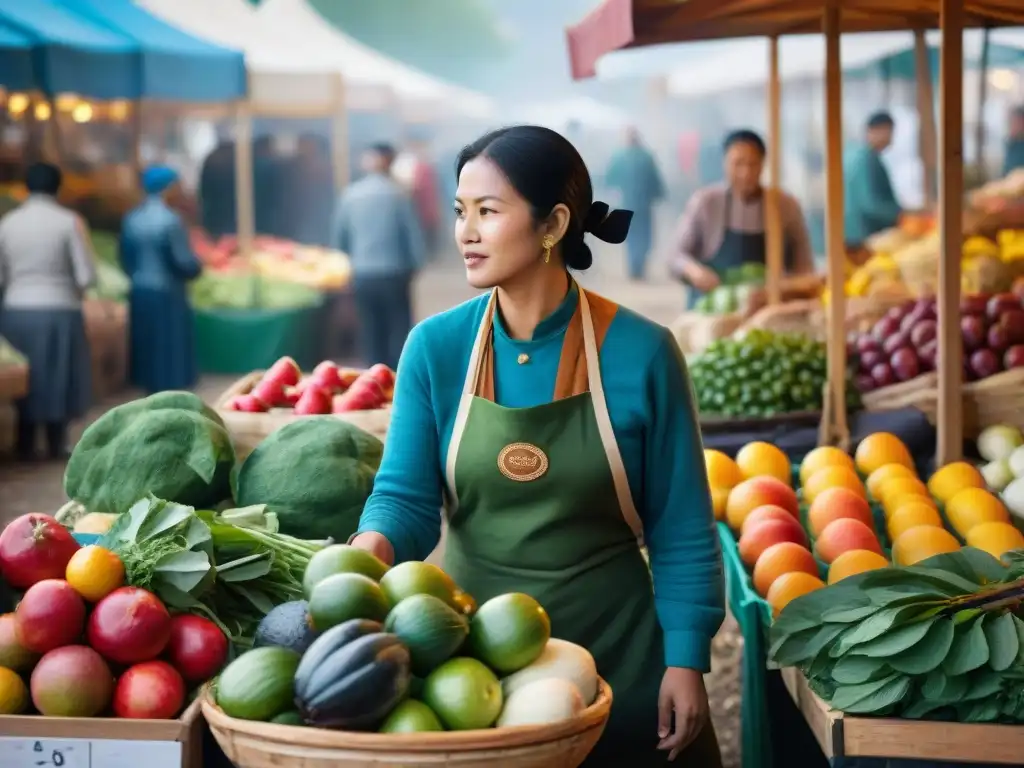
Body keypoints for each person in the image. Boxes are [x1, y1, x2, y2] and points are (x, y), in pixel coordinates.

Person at [350, 126, 725, 766]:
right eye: (460, 211)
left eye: (488, 212)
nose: (465, 232)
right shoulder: (434, 348)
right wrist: (370, 550)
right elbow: (405, 499)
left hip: (623, 660)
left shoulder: (643, 351)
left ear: (552, 223)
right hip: (474, 668)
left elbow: (682, 527)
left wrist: (686, 658)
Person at [0, 162, 95, 461]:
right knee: (58, 375)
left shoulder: (8, 223)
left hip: (17, 310)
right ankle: (56, 443)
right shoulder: (69, 222)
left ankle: (24, 443)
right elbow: (86, 276)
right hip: (60, 309)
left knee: (29, 376)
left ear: (26, 188)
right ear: (58, 187)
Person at [670, 129, 816, 309]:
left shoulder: (785, 206)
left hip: (766, 312)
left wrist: (783, 289)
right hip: (711, 309)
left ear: (763, 164)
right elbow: (675, 256)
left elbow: (805, 270)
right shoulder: (706, 202)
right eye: (738, 164)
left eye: (753, 164)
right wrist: (695, 272)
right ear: (724, 163)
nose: (745, 173)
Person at [331, 143, 426, 370]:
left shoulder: (350, 195)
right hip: (395, 271)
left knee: (370, 328)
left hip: (363, 272)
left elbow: (339, 239)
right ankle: (399, 376)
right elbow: (411, 234)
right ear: (390, 162)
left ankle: (374, 375)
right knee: (399, 327)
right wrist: (416, 265)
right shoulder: (398, 194)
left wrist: (350, 265)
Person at [120, 165, 203, 394]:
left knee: (147, 349)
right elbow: (182, 261)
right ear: (167, 188)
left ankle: (150, 396)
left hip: (139, 291)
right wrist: (197, 268)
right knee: (169, 353)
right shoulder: (171, 220)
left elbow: (126, 258)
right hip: (168, 293)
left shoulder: (132, 219)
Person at [605, 126, 666, 280]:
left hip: (627, 204)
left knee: (632, 236)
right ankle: (638, 266)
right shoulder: (646, 156)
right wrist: (659, 195)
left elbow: (610, 179)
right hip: (643, 204)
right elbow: (655, 180)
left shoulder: (620, 156)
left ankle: (635, 267)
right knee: (643, 236)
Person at [843, 111, 902, 255]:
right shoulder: (866, 159)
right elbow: (870, 204)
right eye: (889, 132)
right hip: (863, 236)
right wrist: (900, 214)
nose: (891, 139)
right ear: (877, 130)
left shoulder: (850, 153)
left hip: (848, 233)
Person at [1003, 106, 1024, 177]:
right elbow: (1006, 169)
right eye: (1012, 122)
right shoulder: (1010, 143)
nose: (1014, 125)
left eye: (1017, 122)